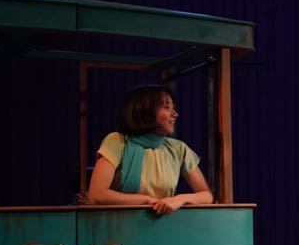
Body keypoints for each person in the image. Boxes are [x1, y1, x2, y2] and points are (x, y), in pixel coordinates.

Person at [87, 85, 213, 215]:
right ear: (146, 112)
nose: (175, 114)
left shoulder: (178, 148)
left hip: (163, 223)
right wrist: (147, 201)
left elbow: (207, 195)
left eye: (173, 108)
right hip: (120, 223)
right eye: (167, 107)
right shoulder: (118, 142)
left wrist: (180, 199)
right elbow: (97, 195)